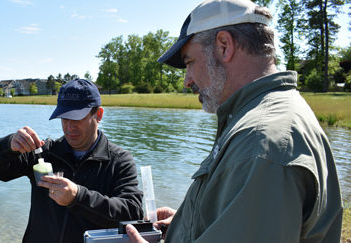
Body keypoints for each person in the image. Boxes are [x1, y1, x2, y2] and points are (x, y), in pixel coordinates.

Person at [126, 0, 343, 242]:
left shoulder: (261, 142)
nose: (187, 81)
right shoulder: (268, 118)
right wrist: (190, 223)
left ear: (224, 46)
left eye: (189, 63)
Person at [0, 79, 143, 243]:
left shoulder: (119, 161)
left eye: (77, 118)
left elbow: (132, 213)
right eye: (64, 118)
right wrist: (9, 146)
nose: (70, 127)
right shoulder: (43, 153)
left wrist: (78, 197)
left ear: (98, 115)